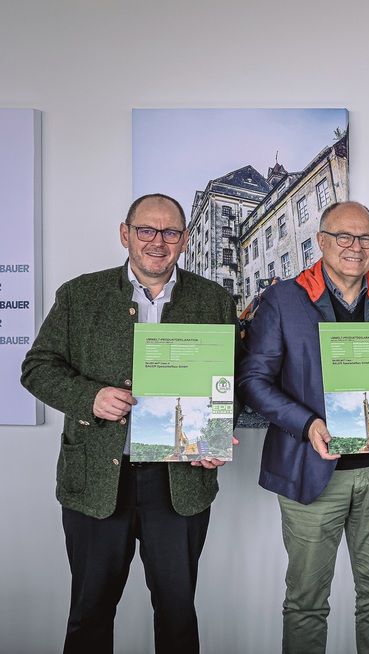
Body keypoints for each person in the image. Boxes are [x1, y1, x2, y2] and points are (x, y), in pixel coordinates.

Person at [21, 193, 238, 654]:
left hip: (179, 481)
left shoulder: (214, 300)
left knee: (178, 616)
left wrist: (219, 431)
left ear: (184, 239)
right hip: (98, 479)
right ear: (126, 234)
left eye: (171, 233)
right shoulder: (80, 295)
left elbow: (229, 382)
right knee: (90, 615)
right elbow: (37, 367)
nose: (158, 242)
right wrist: (91, 397)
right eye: (147, 231)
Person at [237, 201, 369, 654]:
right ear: (321, 242)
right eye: (343, 236)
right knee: (306, 602)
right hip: (310, 472)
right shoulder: (284, 298)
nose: (355, 246)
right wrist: (307, 425)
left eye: (365, 237)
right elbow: (252, 380)